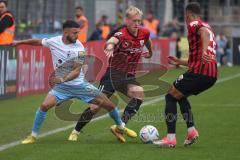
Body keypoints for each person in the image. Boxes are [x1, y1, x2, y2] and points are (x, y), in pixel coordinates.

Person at [13, 20, 135, 144]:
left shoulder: (79, 47)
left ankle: (120, 127)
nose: (77, 36)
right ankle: (32, 136)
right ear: (65, 32)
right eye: (75, 33)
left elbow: (76, 71)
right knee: (44, 106)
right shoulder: (53, 41)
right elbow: (38, 42)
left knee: (109, 105)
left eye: (78, 32)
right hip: (62, 88)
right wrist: (19, 42)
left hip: (79, 86)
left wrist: (63, 79)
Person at [68, 6, 153, 143]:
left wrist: (150, 52)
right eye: (134, 21)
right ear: (127, 20)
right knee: (96, 106)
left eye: (139, 21)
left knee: (139, 94)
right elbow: (112, 40)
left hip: (128, 76)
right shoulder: (122, 34)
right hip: (112, 75)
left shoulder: (144, 32)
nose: (137, 24)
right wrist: (109, 46)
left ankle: (120, 127)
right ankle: (75, 131)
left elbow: (147, 40)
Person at [153, 2, 218, 147]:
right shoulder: (208, 26)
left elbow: (204, 34)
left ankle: (170, 138)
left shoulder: (194, 23)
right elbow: (196, 59)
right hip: (210, 74)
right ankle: (191, 131)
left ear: (187, 14)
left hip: (200, 73)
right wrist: (179, 62)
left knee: (170, 95)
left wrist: (206, 50)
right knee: (179, 95)